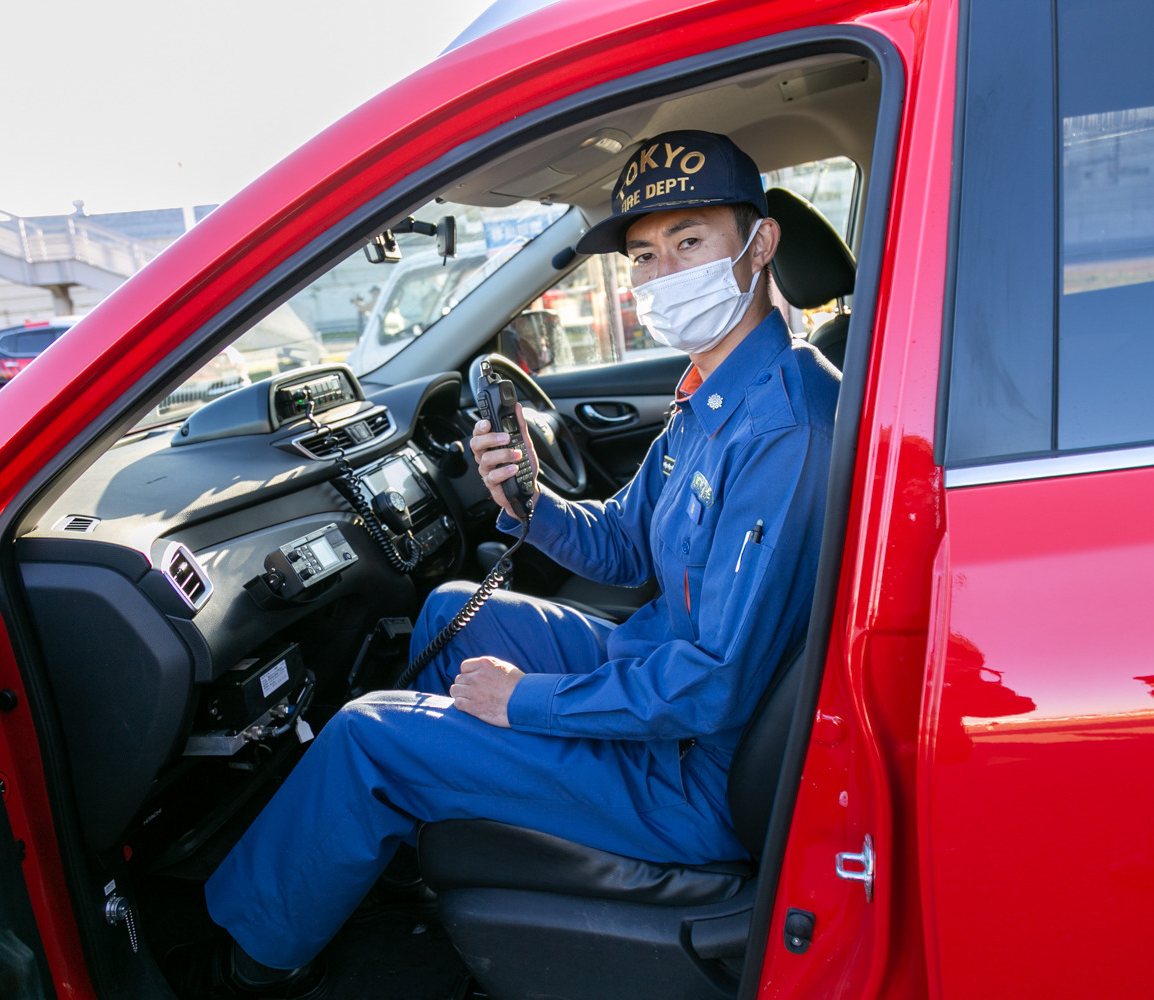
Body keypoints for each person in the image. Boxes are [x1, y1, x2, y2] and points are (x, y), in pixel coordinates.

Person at [189, 131, 841, 998]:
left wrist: (523, 701)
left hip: (692, 769)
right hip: (659, 679)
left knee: (367, 736)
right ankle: (401, 834)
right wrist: (532, 505)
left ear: (758, 246)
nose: (661, 272)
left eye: (690, 241)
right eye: (644, 254)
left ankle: (252, 963)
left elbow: (712, 685)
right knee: (454, 611)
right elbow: (621, 542)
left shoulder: (783, 426)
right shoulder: (711, 395)